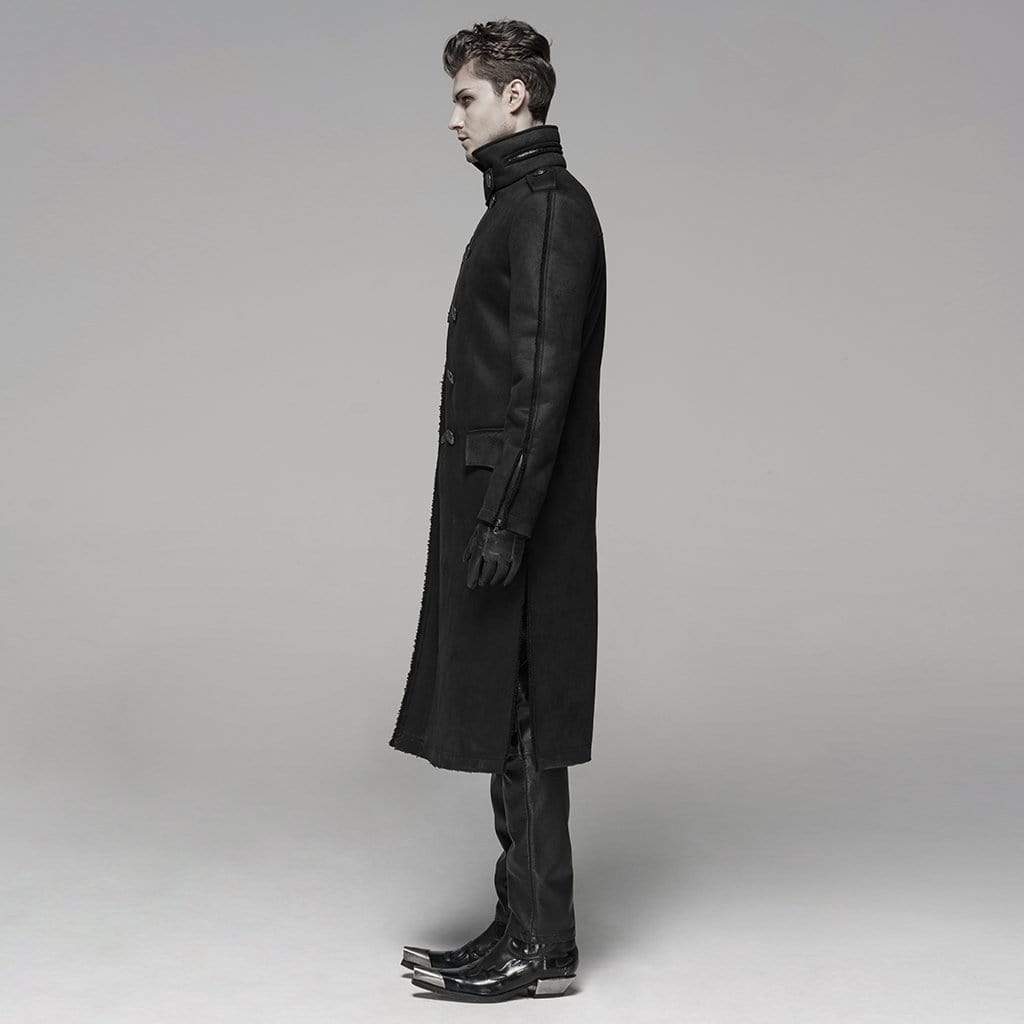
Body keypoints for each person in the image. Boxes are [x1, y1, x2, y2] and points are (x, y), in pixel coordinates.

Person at [389, 19, 607, 1002]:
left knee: (522, 718)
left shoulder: (548, 210)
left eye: (465, 97)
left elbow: (540, 382)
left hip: (517, 509)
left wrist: (507, 517)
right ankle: (519, 928)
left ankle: (542, 947)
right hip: (494, 499)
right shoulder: (519, 205)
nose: (454, 118)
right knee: (505, 715)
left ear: (515, 97)